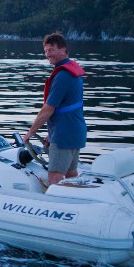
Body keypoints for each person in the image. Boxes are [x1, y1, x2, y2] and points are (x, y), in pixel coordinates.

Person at [24, 32, 87, 185]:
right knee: (71, 173)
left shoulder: (62, 76)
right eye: (46, 51)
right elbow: (66, 106)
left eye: (51, 50)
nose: (47, 54)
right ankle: (77, 201)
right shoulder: (72, 72)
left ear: (63, 50)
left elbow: (48, 109)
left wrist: (31, 132)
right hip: (75, 131)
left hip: (64, 134)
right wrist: (51, 134)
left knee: (55, 177)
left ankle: (61, 205)